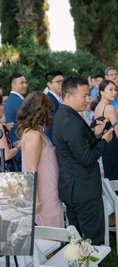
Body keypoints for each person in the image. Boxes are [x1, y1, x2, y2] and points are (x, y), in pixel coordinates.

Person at [53, 76, 113, 245]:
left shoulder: (62, 114)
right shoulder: (70, 121)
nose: (88, 100)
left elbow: (77, 146)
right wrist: (104, 142)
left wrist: (95, 134)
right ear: (69, 96)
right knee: (92, 238)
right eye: (84, 96)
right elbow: (86, 158)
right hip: (83, 188)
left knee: (78, 237)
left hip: (71, 186)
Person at [17, 91, 64, 227]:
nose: (50, 115)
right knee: (51, 236)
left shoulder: (36, 132)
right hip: (44, 194)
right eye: (47, 110)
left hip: (49, 189)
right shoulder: (33, 135)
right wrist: (36, 198)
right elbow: (31, 170)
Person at [94, 80, 118, 191]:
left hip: (105, 145)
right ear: (101, 92)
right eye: (110, 90)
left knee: (110, 176)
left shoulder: (98, 107)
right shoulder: (110, 108)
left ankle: (114, 204)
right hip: (114, 145)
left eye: (115, 89)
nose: (114, 92)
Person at [0, 95, 19, 172]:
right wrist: (19, 147)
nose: (3, 108)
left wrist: (14, 144)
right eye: (1, 104)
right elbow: (6, 155)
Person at [44, 70, 64, 142]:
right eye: (58, 82)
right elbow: (51, 126)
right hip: (54, 142)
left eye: (62, 81)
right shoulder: (49, 100)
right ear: (49, 84)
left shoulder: (60, 98)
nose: (62, 84)